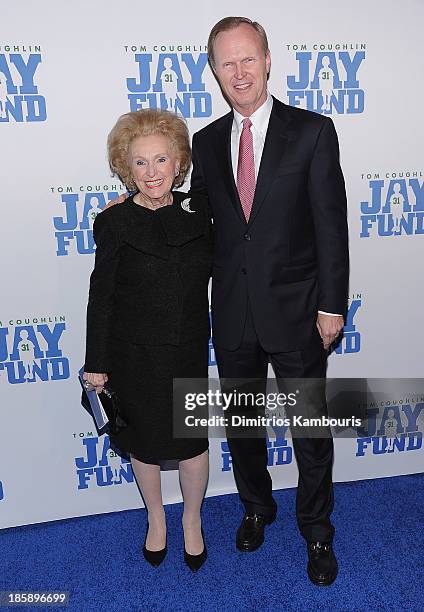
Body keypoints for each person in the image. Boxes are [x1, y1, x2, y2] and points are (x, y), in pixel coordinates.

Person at [189, 17, 349, 586]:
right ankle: (256, 507)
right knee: (242, 426)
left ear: (267, 59)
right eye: (226, 62)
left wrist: (333, 304)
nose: (239, 72)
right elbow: (198, 219)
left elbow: (332, 226)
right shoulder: (205, 143)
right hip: (233, 309)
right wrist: (134, 204)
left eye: (247, 58)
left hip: (300, 310)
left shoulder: (311, 131)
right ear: (214, 71)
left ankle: (317, 532)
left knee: (310, 430)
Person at [83, 108, 212, 571]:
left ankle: (192, 520)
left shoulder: (203, 211)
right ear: (125, 168)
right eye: (140, 162)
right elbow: (101, 298)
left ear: (179, 163)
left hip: (188, 349)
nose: (152, 172)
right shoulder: (114, 223)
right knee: (144, 443)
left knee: (194, 443)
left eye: (161, 160)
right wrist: (95, 362)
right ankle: (156, 518)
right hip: (133, 354)